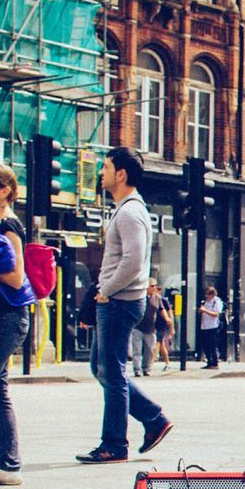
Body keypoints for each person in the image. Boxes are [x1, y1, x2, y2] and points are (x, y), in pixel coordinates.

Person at [76, 149, 173, 464]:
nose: (100, 172)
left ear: (121, 174)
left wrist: (106, 289)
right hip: (118, 300)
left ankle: (115, 444)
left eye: (105, 167)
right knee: (101, 368)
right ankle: (154, 419)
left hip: (119, 302)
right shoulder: (127, 210)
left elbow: (133, 261)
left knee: (112, 372)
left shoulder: (130, 213)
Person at [0, 163, 33, 486]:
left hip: (8, 317)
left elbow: (17, 277)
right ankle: (9, 465)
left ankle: (9, 464)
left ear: (4, 190)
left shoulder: (9, 226)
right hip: (1, 316)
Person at [130, 278, 162, 377]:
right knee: (137, 350)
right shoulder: (140, 297)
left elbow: (161, 309)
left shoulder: (157, 298)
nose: (154, 288)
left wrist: (168, 319)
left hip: (150, 328)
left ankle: (146, 368)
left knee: (150, 349)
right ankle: (137, 369)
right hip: (138, 327)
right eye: (152, 286)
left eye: (155, 286)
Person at [198, 285, 223, 369]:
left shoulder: (217, 301)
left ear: (212, 294)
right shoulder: (205, 301)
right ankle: (209, 362)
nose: (206, 296)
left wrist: (205, 310)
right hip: (204, 325)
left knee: (213, 345)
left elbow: (216, 314)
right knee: (206, 346)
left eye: (208, 294)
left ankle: (215, 363)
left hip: (213, 326)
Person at [154, 285, 174, 370]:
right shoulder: (152, 299)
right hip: (154, 323)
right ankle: (167, 362)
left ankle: (152, 361)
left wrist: (172, 328)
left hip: (162, 324)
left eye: (158, 290)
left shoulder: (164, 300)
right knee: (161, 345)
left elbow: (170, 314)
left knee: (158, 342)